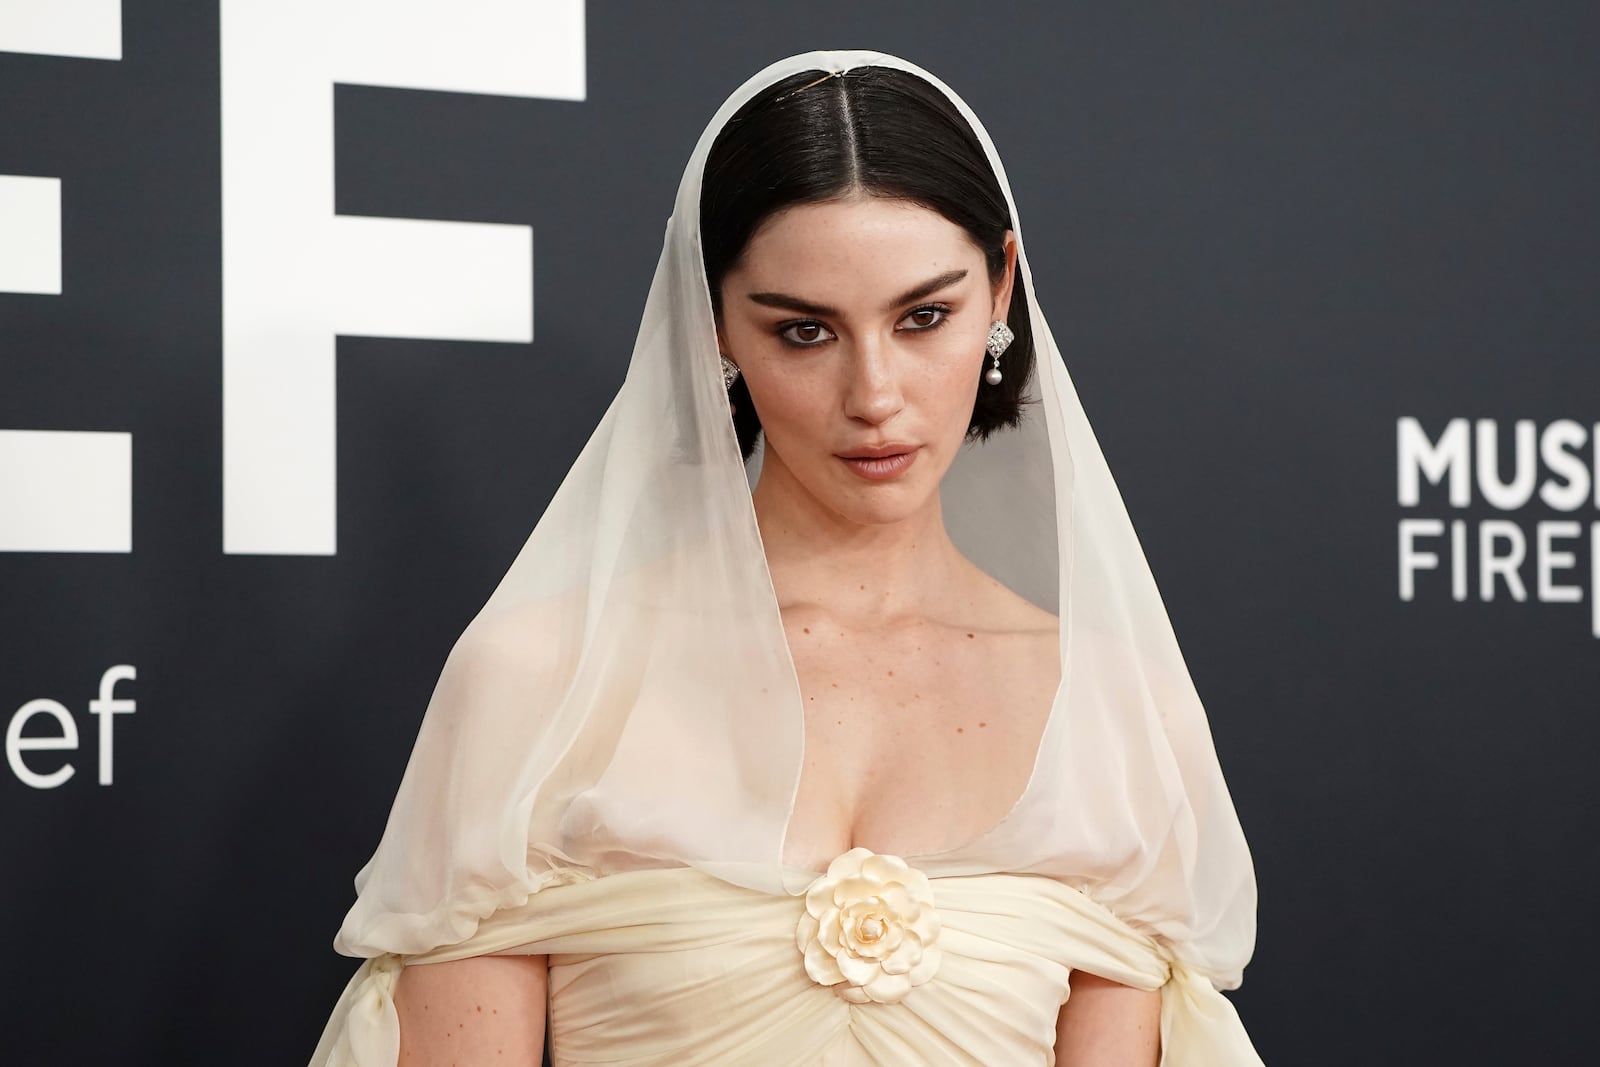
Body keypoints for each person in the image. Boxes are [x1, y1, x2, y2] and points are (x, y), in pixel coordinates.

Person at [309, 50, 1262, 1066]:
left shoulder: (1121, 713)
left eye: (923, 316)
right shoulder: (540, 676)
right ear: (712, 320)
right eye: (805, 330)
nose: (874, 392)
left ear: (1001, 288)